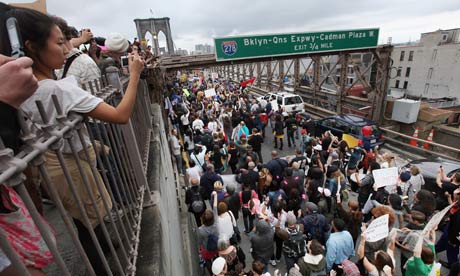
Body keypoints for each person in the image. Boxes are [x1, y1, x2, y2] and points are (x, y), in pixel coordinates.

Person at [1, 5, 143, 275]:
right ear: (32, 48)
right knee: (93, 222)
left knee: (82, 223)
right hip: (72, 164)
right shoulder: (56, 89)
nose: (67, 48)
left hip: (50, 167)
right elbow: (121, 115)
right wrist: (134, 74)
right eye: (60, 42)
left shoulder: (22, 88)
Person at [198, 192, 219, 274]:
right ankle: (217, 266)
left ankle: (212, 272)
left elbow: (200, 242)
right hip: (216, 245)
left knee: (207, 259)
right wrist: (215, 195)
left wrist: (200, 248)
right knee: (215, 256)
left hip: (207, 248)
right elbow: (215, 207)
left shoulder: (201, 230)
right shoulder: (216, 223)